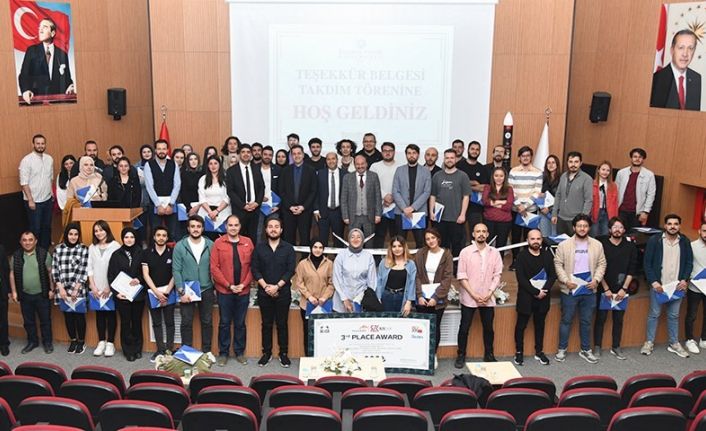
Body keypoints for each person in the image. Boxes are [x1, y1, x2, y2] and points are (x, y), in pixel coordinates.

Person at [553, 214, 606, 364]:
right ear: (574, 227)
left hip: (589, 289)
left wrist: (596, 280)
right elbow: (558, 264)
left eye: (585, 226)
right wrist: (566, 281)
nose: (582, 229)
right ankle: (562, 349)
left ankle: (586, 350)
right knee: (566, 320)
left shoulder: (597, 245)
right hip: (570, 289)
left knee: (586, 321)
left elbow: (602, 264)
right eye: (579, 226)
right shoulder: (564, 245)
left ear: (589, 228)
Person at [641, 214, 693, 358]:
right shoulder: (655, 240)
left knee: (674, 315)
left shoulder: (685, 241)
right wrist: (654, 281)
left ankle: (674, 343)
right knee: (654, 314)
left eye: (676, 224)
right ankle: (649, 342)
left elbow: (689, 263)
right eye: (669, 224)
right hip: (659, 286)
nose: (672, 226)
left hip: (677, 286)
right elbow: (647, 263)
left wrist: (684, 280)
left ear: (679, 226)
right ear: (665, 226)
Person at [455, 223, 503, 367]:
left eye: (483, 231)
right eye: (478, 231)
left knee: (488, 328)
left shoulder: (495, 252)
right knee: (464, 328)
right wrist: (473, 294)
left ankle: (489, 354)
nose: (481, 234)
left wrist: (490, 293)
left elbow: (497, 275)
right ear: (473, 234)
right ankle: (461, 355)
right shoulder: (465, 252)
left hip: (488, 297)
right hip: (469, 297)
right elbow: (461, 275)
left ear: (487, 234)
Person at [251, 217, 296, 367]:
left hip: (283, 292)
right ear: (266, 229)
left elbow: (290, 270)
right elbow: (255, 269)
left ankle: (284, 353)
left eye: (276, 226)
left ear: (281, 230)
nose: (273, 229)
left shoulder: (288, 248)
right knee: (266, 324)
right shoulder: (259, 248)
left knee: (282, 324)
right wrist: (266, 287)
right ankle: (267, 353)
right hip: (264, 292)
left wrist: (277, 287)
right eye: (270, 226)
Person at [211, 215, 254, 366]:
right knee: (224, 323)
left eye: (236, 225)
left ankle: (239, 352)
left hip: (243, 290)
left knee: (240, 323)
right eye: (230, 225)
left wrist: (244, 284)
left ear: (240, 227)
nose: (233, 228)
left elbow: (253, 266)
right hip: (224, 291)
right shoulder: (218, 243)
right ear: (226, 227)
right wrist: (228, 285)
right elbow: (214, 268)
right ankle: (223, 353)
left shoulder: (248, 242)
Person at [594, 217, 637, 360]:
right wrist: (605, 289)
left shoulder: (630, 246)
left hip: (622, 289)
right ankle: (597, 346)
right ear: (609, 229)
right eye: (615, 227)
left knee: (618, 319)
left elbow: (632, 269)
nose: (617, 230)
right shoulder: (602, 244)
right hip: (603, 287)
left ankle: (616, 346)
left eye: (620, 227)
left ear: (624, 230)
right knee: (600, 318)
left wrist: (624, 289)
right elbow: (598, 268)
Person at [513, 229, 556, 366]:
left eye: (538, 238)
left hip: (543, 297)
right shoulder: (521, 256)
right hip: (526, 298)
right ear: (527, 240)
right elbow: (521, 278)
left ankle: (539, 351)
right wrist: (535, 292)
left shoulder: (547, 255)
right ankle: (519, 352)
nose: (535, 241)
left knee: (540, 325)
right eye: (532, 239)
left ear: (541, 240)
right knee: (521, 326)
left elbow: (553, 275)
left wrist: (544, 290)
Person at [173, 215, 215, 353]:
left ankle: (207, 352)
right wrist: (181, 291)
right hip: (187, 290)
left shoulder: (211, 245)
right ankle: (187, 352)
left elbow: (215, 267)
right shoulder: (180, 246)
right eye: (192, 226)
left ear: (202, 228)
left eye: (198, 226)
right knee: (186, 322)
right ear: (188, 228)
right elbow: (176, 270)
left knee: (207, 321)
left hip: (206, 288)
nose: (195, 229)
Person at [9, 231, 53, 354]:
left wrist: (52, 289)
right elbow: (12, 275)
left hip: (42, 294)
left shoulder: (44, 254)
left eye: (30, 240)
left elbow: (50, 272)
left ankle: (47, 343)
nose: (27, 242)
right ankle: (32, 342)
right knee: (28, 322)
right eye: (24, 240)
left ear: (35, 241)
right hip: (25, 295)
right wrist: (14, 292)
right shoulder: (16, 256)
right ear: (20, 242)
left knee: (45, 321)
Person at [414, 228, 453, 363]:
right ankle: (420, 356)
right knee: (421, 329)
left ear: (438, 238)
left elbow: (447, 278)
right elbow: (416, 275)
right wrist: (419, 295)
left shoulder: (446, 254)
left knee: (435, 328)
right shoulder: (420, 253)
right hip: (422, 298)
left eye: (433, 238)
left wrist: (436, 297)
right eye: (427, 239)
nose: (430, 241)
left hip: (438, 299)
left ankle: (433, 355)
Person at [107, 227, 145, 361]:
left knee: (137, 322)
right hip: (122, 296)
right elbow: (111, 275)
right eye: (126, 237)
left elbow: (146, 272)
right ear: (122, 238)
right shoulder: (116, 254)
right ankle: (128, 350)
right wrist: (116, 293)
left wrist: (139, 279)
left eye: (132, 237)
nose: (129, 240)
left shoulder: (141, 252)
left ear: (135, 238)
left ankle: (137, 349)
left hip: (137, 295)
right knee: (125, 323)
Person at [52, 222, 89, 354]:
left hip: (78, 289)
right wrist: (60, 288)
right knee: (68, 316)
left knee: (79, 316)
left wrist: (76, 288)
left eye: (76, 234)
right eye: (70, 234)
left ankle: (81, 341)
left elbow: (84, 270)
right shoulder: (58, 249)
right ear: (66, 235)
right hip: (62, 289)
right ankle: (73, 340)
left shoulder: (83, 249)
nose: (73, 237)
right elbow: (55, 269)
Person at [18, 18, 75, 104]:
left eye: (44, 27)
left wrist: (71, 86)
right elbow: (23, 75)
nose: (40, 30)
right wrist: (25, 90)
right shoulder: (32, 51)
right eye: (39, 27)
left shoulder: (62, 54)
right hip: (36, 102)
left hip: (57, 103)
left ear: (53, 33)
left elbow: (67, 79)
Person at [294, 239, 334, 356]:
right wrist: (309, 297)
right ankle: (308, 358)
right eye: (315, 247)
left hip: (323, 304)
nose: (317, 250)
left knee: (323, 332)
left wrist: (324, 297)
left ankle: (322, 358)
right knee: (308, 332)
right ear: (311, 248)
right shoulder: (302, 264)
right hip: (307, 304)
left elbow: (332, 283)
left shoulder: (329, 264)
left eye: (320, 247)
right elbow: (299, 282)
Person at [142, 226, 176, 362]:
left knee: (169, 322)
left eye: (164, 235)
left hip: (169, 292)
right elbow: (145, 274)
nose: (161, 238)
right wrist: (157, 292)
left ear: (167, 238)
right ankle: (160, 350)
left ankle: (169, 350)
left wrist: (167, 292)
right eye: (158, 235)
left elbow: (175, 273)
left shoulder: (172, 252)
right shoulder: (146, 253)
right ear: (154, 237)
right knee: (156, 323)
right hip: (152, 293)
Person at [429, 149, 471, 258]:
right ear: (444, 159)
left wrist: (463, 214)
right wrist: (431, 212)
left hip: (456, 218)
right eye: (447, 158)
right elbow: (433, 196)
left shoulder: (463, 176)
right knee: (442, 245)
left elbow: (466, 197)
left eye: (452, 158)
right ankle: (443, 266)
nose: (449, 160)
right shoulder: (437, 176)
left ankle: (456, 266)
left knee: (457, 245)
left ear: (456, 159)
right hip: (440, 218)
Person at [87, 220, 120, 357]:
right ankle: (101, 342)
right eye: (96, 231)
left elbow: (118, 268)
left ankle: (110, 343)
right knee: (99, 315)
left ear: (107, 230)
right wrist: (92, 286)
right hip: (96, 288)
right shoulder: (92, 247)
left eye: (101, 230)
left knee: (111, 315)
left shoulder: (115, 246)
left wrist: (110, 287)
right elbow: (89, 268)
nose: (98, 233)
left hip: (110, 288)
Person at [508, 146, 543, 269]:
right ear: (519, 157)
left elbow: (537, 192)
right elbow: (511, 190)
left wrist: (525, 206)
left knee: (530, 236)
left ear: (531, 157)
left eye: (528, 155)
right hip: (516, 210)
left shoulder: (538, 172)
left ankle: (528, 262)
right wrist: (519, 205)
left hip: (531, 210)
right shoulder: (513, 171)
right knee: (516, 237)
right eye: (523, 156)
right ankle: (515, 260)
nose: (525, 158)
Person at [650, 29, 701, 110]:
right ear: (672, 50)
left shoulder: (696, 78)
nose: (685, 54)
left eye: (690, 48)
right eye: (681, 48)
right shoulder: (657, 79)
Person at [392, 144, 432, 248]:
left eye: (414, 153)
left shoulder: (426, 171)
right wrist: (404, 208)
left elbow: (427, 192)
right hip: (401, 212)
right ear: (406, 155)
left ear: (418, 155)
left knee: (420, 243)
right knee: (400, 243)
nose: (411, 155)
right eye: (409, 153)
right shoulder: (399, 170)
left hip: (419, 212)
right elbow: (395, 191)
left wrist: (413, 207)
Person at [19, 134, 54, 249]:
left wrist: (51, 193)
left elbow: (50, 178)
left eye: (42, 143)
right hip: (34, 202)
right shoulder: (26, 160)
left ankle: (44, 251)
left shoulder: (49, 159)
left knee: (46, 227)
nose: (40, 146)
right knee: (35, 229)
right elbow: (24, 182)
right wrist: (30, 200)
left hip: (47, 200)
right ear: (33, 144)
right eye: (38, 143)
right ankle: (34, 252)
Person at [279, 145, 317, 246]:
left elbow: (313, 191)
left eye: (299, 153)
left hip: (305, 211)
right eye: (294, 154)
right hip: (288, 211)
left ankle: (304, 256)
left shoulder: (311, 170)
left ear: (303, 154)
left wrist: (303, 207)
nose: (297, 156)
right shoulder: (285, 171)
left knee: (305, 238)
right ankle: (289, 256)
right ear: (291, 156)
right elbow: (281, 191)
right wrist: (290, 206)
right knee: (288, 239)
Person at [226, 144, 264, 242]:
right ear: (239, 154)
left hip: (255, 209)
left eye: (248, 152)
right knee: (238, 238)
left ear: (251, 154)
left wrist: (257, 203)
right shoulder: (231, 171)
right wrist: (243, 205)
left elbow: (261, 188)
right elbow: (230, 191)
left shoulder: (256, 168)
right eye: (243, 152)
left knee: (253, 238)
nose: (246, 154)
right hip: (239, 210)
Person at [332, 228, 377, 312]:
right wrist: (344, 299)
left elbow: (372, 281)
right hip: (342, 302)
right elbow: (337, 279)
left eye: (358, 237)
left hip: (361, 301)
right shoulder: (341, 256)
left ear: (362, 239)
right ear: (349, 239)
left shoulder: (368, 257)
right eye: (352, 237)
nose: (355, 239)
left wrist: (364, 298)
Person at [145, 140, 181, 239]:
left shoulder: (174, 164)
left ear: (167, 150)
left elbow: (177, 185)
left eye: (164, 149)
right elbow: (149, 187)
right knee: (155, 233)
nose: (161, 151)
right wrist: (158, 205)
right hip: (155, 205)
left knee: (173, 234)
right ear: (155, 150)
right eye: (159, 149)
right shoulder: (149, 165)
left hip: (171, 205)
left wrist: (171, 204)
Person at [341, 155, 382, 240]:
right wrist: (345, 216)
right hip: (353, 217)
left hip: (369, 217)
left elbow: (378, 196)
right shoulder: (347, 178)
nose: (360, 166)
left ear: (366, 164)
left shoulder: (374, 176)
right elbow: (343, 199)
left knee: (369, 242)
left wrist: (378, 214)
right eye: (357, 164)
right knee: (354, 241)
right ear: (354, 165)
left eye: (362, 163)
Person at [615, 148, 657, 230]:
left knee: (635, 235)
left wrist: (645, 212)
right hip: (621, 210)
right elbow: (615, 191)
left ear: (643, 159)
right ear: (631, 158)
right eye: (635, 156)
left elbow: (651, 195)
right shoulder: (621, 173)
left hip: (637, 213)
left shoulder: (649, 175)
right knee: (619, 232)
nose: (637, 159)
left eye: (640, 157)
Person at [552, 152, 593, 235]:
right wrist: (554, 213)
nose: (573, 164)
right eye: (570, 162)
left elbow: (588, 200)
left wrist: (582, 220)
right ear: (567, 163)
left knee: (576, 242)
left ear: (581, 163)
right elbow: (558, 195)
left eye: (576, 162)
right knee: (561, 242)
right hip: (561, 218)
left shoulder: (587, 179)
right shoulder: (563, 176)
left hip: (576, 220)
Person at [456, 140, 490, 233]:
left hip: (475, 207)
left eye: (477, 149)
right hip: (459, 205)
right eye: (472, 149)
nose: (474, 151)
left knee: (475, 231)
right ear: (468, 150)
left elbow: (483, 187)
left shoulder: (482, 168)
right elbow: (456, 184)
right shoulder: (459, 166)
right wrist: (474, 183)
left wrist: (465, 185)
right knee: (459, 233)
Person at [370, 142, 399, 249]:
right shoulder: (375, 166)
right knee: (379, 235)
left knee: (396, 236)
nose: (387, 153)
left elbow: (403, 185)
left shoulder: (400, 167)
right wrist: (385, 196)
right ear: (381, 152)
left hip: (396, 207)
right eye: (385, 151)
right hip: (380, 206)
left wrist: (393, 197)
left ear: (394, 152)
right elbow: (372, 184)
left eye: (390, 151)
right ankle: (377, 258)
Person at [376, 236, 416, 314]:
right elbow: (379, 281)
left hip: (403, 297)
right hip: (386, 297)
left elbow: (412, 283)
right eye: (394, 246)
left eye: (400, 246)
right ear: (391, 248)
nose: (397, 249)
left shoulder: (411, 264)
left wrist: (409, 302)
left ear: (404, 247)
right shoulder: (384, 262)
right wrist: (378, 297)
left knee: (401, 321)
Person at [314, 152, 345, 245]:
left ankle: (338, 255)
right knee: (322, 240)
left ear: (337, 160)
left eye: (333, 159)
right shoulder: (320, 173)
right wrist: (316, 209)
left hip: (339, 212)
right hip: (323, 212)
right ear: (326, 161)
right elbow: (315, 192)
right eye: (328, 159)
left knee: (339, 240)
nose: (331, 161)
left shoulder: (345, 174)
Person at [483, 167, 514, 253]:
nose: (499, 178)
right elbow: (485, 202)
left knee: (501, 246)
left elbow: (509, 206)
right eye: (496, 175)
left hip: (504, 222)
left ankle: (499, 261)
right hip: (489, 221)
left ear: (505, 177)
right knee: (487, 245)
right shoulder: (487, 187)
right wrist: (501, 202)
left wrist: (493, 203)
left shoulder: (509, 189)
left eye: (501, 176)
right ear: (492, 177)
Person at [197, 155, 230, 239]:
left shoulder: (226, 178)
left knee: (221, 239)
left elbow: (228, 197)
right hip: (206, 213)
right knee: (207, 238)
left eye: (215, 163)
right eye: (210, 164)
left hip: (223, 212)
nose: (213, 166)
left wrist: (217, 211)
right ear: (208, 166)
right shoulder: (203, 179)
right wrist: (210, 212)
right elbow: (202, 198)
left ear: (220, 165)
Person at [685, 222, 706, 354]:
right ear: (699, 231)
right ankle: (689, 339)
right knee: (691, 314)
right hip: (695, 286)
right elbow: (687, 264)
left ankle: (704, 338)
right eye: (704, 231)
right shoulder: (692, 246)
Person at [258, 146, 281, 243]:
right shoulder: (254, 168)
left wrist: (278, 206)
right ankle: (258, 251)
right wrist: (259, 198)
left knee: (274, 231)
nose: (267, 157)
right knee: (258, 232)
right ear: (261, 155)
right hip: (257, 206)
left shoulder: (278, 169)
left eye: (270, 155)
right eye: (265, 154)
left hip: (273, 207)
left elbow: (282, 189)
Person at [590, 161, 618, 237]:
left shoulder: (613, 186)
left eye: (608, 170)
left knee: (605, 234)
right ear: (598, 170)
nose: (605, 172)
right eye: (603, 169)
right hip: (595, 212)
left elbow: (615, 203)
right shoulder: (592, 183)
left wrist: (614, 218)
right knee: (594, 234)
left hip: (607, 213)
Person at [539, 155, 561, 237]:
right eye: (548, 163)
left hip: (556, 212)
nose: (551, 165)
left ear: (557, 164)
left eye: (553, 162)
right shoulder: (542, 178)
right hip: (543, 212)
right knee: (544, 236)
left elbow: (562, 198)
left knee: (554, 237)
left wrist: (550, 208)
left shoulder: (562, 178)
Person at [0, 244, 9, 356]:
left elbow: (6, 269)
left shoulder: (1, 248)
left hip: (1, 291)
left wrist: (9, 290)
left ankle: (4, 343)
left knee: (3, 319)